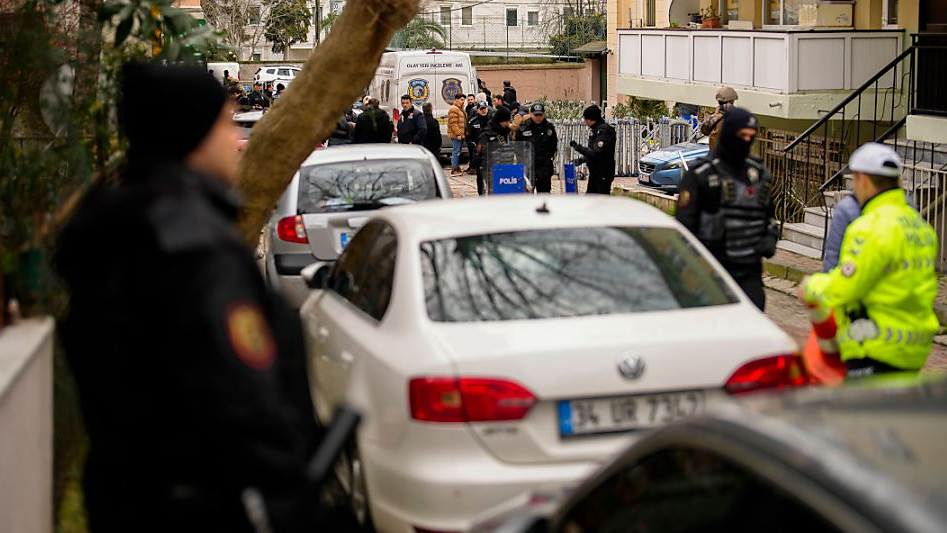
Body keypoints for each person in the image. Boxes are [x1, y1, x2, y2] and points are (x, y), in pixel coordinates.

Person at [54, 61, 321, 532]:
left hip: (124, 496)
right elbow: (244, 401)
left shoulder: (114, 224)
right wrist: (293, 504)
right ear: (189, 132)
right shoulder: (196, 247)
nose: (234, 137)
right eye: (224, 121)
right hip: (200, 505)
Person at [798, 143, 938, 379]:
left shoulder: (869, 226)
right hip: (913, 347)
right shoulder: (919, 226)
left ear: (862, 178)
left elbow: (848, 284)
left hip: (875, 345)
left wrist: (812, 287)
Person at [675, 108, 777, 310]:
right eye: (742, 135)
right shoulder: (702, 174)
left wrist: (770, 237)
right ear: (729, 133)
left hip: (749, 270)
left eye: (751, 136)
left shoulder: (757, 174)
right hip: (711, 272)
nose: (746, 141)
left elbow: (769, 217)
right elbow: (685, 227)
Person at [569, 105, 616, 195]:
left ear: (591, 119)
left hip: (603, 173)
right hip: (595, 173)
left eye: (586, 119)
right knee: (590, 199)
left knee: (600, 201)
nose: (585, 122)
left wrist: (578, 147)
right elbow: (593, 154)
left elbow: (596, 153)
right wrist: (581, 160)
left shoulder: (603, 131)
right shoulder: (596, 130)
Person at [518, 102, 558, 193]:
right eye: (536, 115)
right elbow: (518, 146)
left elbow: (553, 146)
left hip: (543, 168)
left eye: (540, 115)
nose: (538, 117)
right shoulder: (524, 128)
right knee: (526, 196)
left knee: (544, 195)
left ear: (543, 114)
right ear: (531, 114)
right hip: (528, 167)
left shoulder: (549, 128)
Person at [700, 86, 738, 151]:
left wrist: (715, 115)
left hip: (717, 155)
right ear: (732, 101)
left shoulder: (714, 118)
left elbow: (704, 131)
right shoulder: (738, 116)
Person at [466, 101, 490, 179]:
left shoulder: (492, 121)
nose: (483, 110)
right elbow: (469, 137)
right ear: (477, 110)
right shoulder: (473, 122)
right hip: (479, 152)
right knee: (480, 175)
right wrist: (475, 147)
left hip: (490, 150)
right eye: (481, 109)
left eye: (485, 108)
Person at [447, 93, 467, 175]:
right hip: (456, 135)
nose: (463, 102)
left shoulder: (460, 109)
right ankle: (454, 168)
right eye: (461, 100)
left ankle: (457, 167)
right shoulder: (454, 109)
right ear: (456, 99)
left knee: (458, 151)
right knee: (456, 151)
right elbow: (453, 123)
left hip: (461, 134)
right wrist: (458, 134)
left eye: (463, 100)